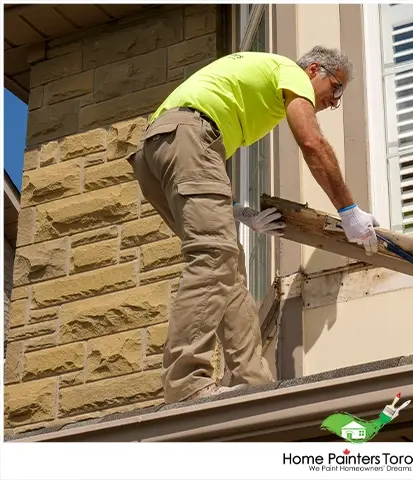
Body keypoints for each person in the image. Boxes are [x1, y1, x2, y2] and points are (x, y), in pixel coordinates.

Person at [127, 46, 380, 404]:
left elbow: (186, 160)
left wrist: (239, 213)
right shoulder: (291, 74)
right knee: (213, 256)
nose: (334, 102)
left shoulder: (255, 82)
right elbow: (311, 142)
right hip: (186, 136)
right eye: (336, 88)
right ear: (313, 70)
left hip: (157, 151)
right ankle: (186, 384)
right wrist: (349, 212)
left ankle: (254, 382)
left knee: (226, 263)